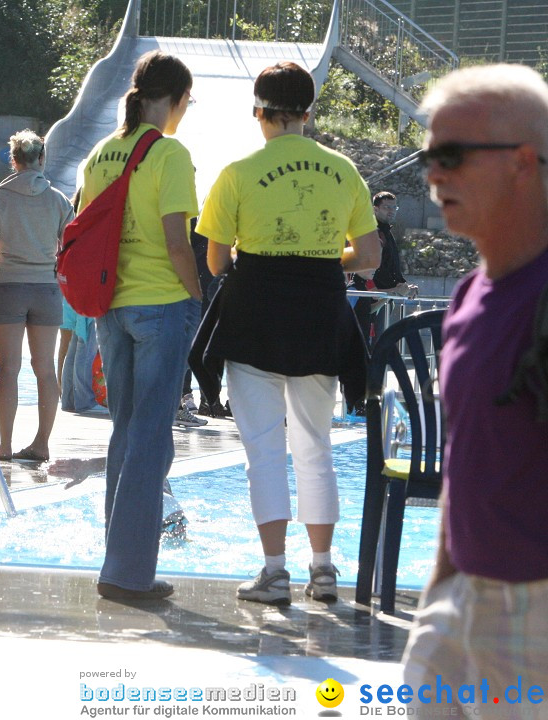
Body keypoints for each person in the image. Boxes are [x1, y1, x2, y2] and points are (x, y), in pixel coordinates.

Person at [195, 62, 380, 604]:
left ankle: (274, 572)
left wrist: (251, 253)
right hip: (321, 319)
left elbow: (214, 264)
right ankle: (322, 570)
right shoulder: (343, 170)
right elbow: (368, 256)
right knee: (315, 447)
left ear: (259, 112)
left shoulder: (237, 171)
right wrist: (320, 256)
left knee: (263, 450)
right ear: (307, 112)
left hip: (254, 318)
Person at [401, 64, 548, 715]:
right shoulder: (469, 296)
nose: (434, 174)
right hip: (458, 605)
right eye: (430, 155)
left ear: (523, 162)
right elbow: (467, 460)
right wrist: (438, 596)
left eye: (452, 156)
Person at [78, 50, 202, 601]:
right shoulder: (170, 153)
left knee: (126, 433)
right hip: (160, 304)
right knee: (153, 437)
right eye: (186, 102)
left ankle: (116, 559)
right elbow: (178, 242)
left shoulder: (101, 153)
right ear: (174, 99)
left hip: (112, 306)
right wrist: (196, 297)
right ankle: (130, 572)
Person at [0, 129, 73, 463]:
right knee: (45, 369)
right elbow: (71, 250)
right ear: (42, 158)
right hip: (46, 289)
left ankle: (4, 444)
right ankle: (42, 443)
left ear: (13, 160)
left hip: (7, 287)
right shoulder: (59, 200)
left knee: (9, 369)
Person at [350, 191, 419, 350]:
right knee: (372, 347)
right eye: (387, 207)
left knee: (379, 346)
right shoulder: (373, 233)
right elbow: (366, 267)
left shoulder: (386, 232)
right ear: (375, 209)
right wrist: (388, 291)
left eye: (394, 207)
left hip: (384, 297)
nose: (392, 210)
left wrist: (405, 286)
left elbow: (390, 268)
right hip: (373, 298)